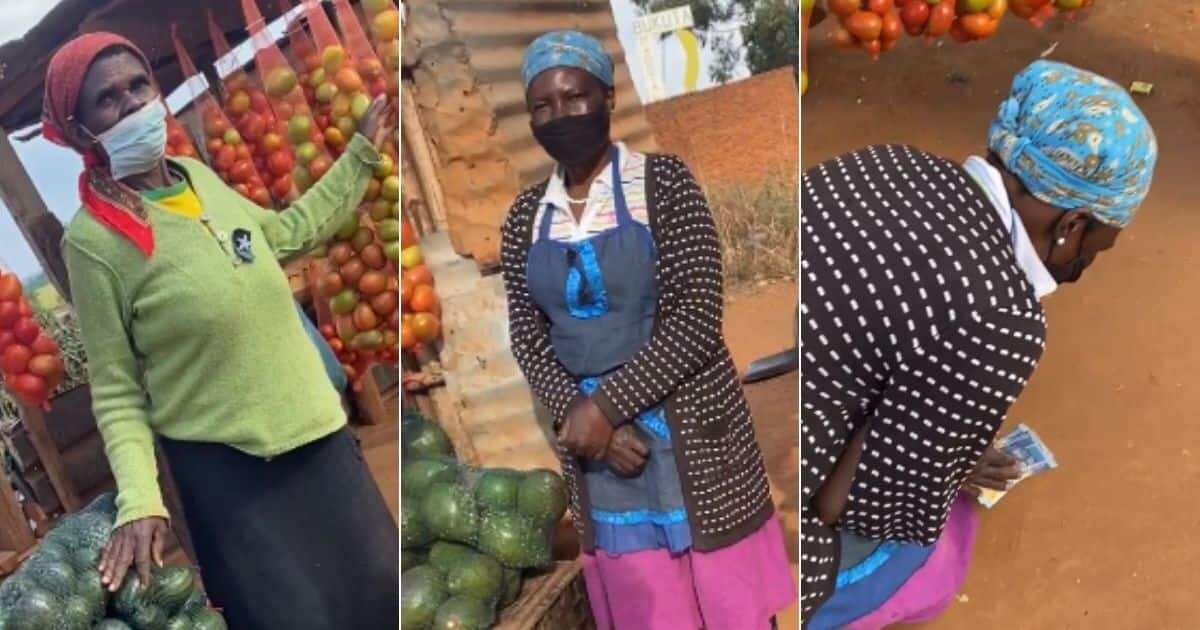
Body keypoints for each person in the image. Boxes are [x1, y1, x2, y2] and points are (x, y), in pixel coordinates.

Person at [43, 33, 398, 628]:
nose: (133, 104)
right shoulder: (92, 244)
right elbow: (116, 388)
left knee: (379, 600)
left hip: (321, 442)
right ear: (81, 131)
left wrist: (358, 156)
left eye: (138, 85)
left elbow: (285, 235)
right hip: (235, 477)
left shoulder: (196, 178)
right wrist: (139, 498)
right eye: (108, 100)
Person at [800, 59, 1158, 628]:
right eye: (1095, 251)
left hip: (741, 403)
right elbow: (843, 505)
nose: (1083, 267)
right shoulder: (1002, 318)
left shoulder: (890, 161)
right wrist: (940, 463)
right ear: (1071, 227)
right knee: (929, 550)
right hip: (767, 515)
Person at [499, 31, 796, 630]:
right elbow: (528, 339)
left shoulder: (662, 183)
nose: (559, 116)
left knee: (729, 604)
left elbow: (696, 316)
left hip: (690, 430)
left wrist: (605, 407)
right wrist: (586, 423)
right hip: (601, 460)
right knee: (651, 609)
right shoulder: (524, 218)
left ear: (607, 96)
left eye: (574, 96)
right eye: (542, 106)